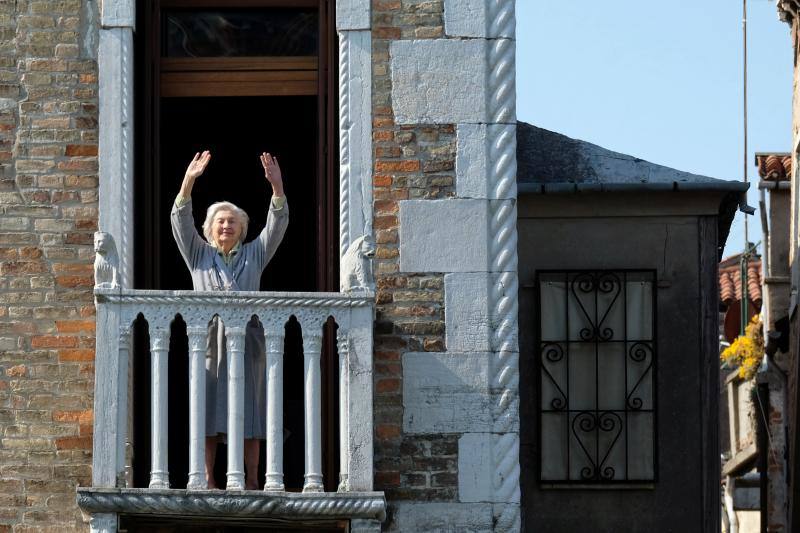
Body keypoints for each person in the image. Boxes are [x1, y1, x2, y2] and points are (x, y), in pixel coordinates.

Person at [171, 150, 288, 489]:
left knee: (251, 412)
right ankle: (208, 478)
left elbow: (276, 227)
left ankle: (251, 478)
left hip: (248, 341)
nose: (226, 225)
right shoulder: (198, 254)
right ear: (209, 229)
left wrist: (277, 188)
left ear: (242, 228)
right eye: (220, 221)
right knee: (207, 411)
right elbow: (180, 222)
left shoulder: (255, 253)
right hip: (209, 340)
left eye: (232, 221)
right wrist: (189, 181)